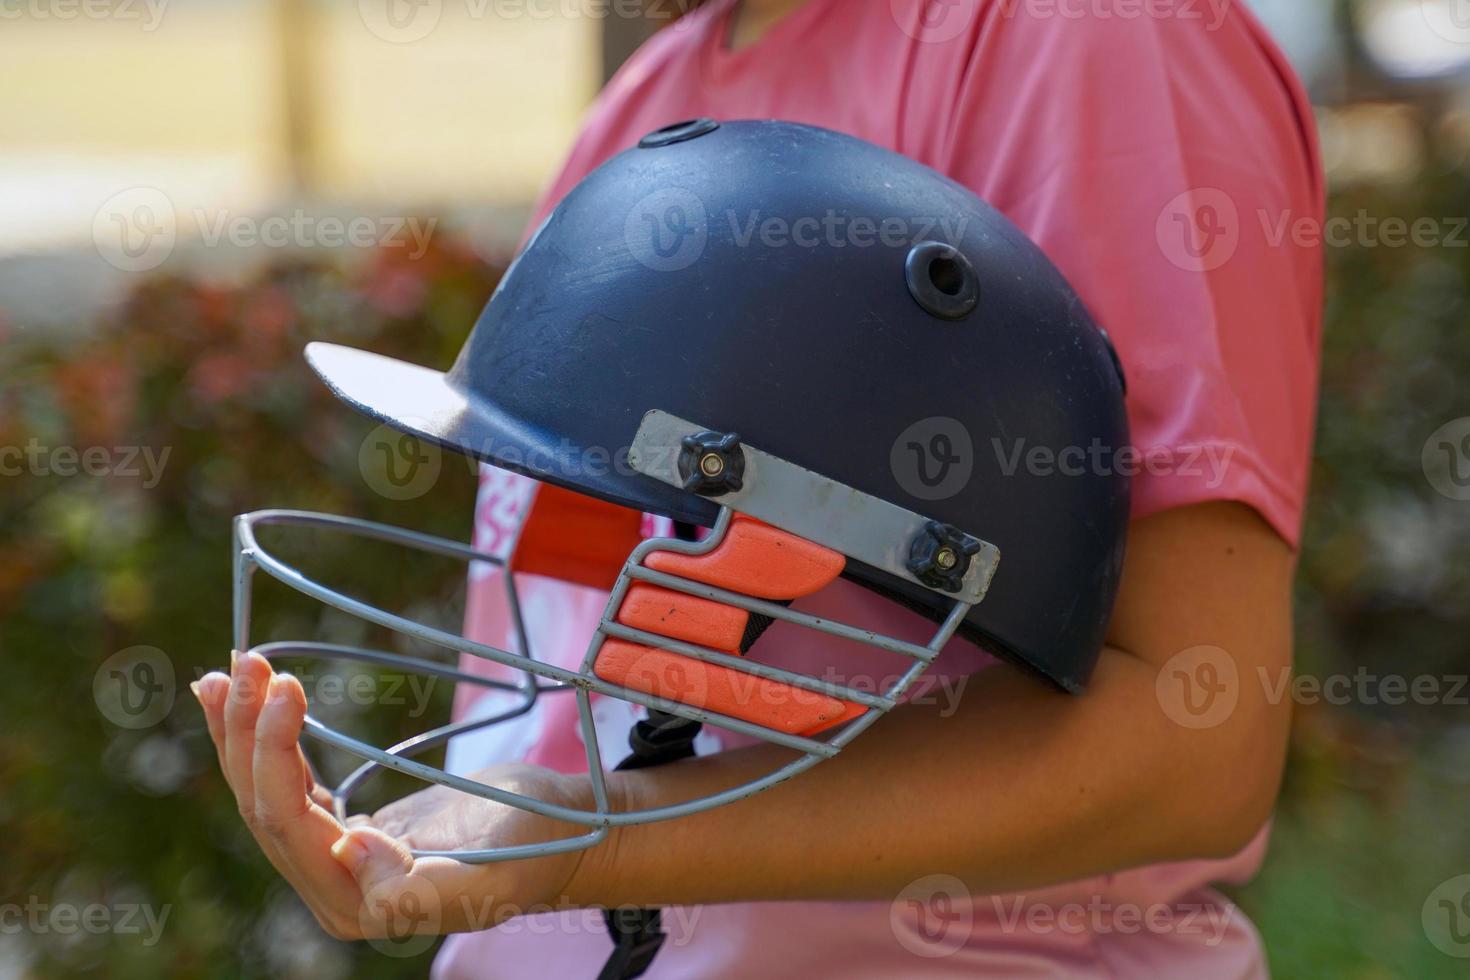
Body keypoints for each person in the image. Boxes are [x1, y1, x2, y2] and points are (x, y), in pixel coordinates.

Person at [193, 0, 1323, 976]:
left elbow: (1195, 732)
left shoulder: (1090, 42)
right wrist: (492, 842)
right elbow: (576, 637)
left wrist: (593, 840)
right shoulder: (657, 91)